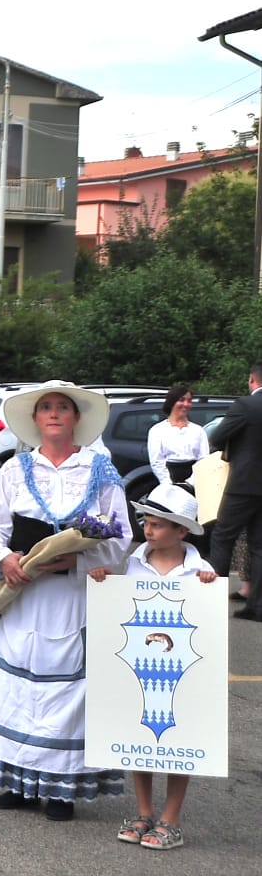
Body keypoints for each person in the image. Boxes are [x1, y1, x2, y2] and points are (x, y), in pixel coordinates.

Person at [0, 380, 130, 820]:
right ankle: (18, 782)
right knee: (16, 686)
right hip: (23, 595)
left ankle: (61, 789)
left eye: (63, 407)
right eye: (46, 408)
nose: (54, 414)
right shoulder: (16, 470)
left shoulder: (100, 472)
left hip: (70, 597)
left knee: (67, 690)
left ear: (76, 418)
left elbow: (120, 537)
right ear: (36, 419)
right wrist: (5, 559)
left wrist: (74, 564)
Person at [88, 483, 216, 851]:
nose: (148, 529)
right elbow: (120, 609)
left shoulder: (199, 570)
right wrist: (104, 581)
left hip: (184, 674)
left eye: (158, 524)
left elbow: (207, 624)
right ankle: (143, 811)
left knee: (181, 738)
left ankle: (171, 818)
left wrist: (208, 585)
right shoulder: (132, 563)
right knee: (139, 735)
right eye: (146, 521)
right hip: (139, 670)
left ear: (181, 530)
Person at [207, 362, 262, 622]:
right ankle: (257, 606)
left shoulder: (245, 406)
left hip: (244, 483)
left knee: (223, 535)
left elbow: (217, 437)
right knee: (259, 545)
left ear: (253, 379)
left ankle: (210, 598)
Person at [147, 385, 209, 488]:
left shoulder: (198, 430)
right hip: (169, 481)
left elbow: (203, 459)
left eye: (189, 401)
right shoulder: (157, 430)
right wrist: (169, 483)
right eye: (181, 400)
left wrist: (190, 483)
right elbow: (157, 461)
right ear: (172, 402)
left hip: (195, 482)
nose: (186, 404)